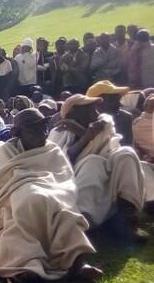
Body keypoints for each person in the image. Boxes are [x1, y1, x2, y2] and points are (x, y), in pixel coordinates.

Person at [0, 109, 102, 281]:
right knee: (24, 209)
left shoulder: (53, 149)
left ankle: (77, 263)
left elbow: (64, 179)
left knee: (67, 217)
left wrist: (45, 190)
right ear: (18, 132)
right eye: (34, 129)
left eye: (44, 127)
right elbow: (5, 180)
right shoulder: (9, 149)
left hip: (55, 194)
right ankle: (29, 265)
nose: (42, 133)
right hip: (14, 198)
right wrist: (31, 187)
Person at [48, 94, 146, 241]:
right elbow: (62, 164)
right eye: (89, 110)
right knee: (92, 163)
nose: (96, 114)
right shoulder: (59, 131)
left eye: (95, 109)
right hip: (76, 179)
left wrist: (83, 131)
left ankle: (125, 218)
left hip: (109, 174)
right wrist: (86, 136)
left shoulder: (103, 124)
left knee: (126, 154)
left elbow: (109, 146)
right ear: (73, 113)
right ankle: (83, 223)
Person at [87, 81, 133, 146]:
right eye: (112, 100)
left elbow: (128, 146)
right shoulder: (86, 120)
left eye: (118, 99)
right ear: (97, 103)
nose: (119, 104)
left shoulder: (125, 117)